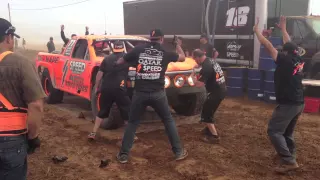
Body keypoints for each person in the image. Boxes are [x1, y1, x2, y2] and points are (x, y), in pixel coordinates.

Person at [115, 29, 188, 164]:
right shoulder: (165, 52)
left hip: (140, 93)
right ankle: (178, 152)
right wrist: (177, 44)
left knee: (132, 123)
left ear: (150, 38)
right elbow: (182, 57)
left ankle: (123, 155)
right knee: (168, 121)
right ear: (162, 39)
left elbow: (120, 62)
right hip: (158, 93)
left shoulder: (138, 50)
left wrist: (126, 60)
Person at [253, 16, 305, 174]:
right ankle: (290, 155)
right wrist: (283, 29)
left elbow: (268, 45)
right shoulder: (297, 57)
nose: (281, 50)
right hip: (299, 102)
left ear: (286, 52)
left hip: (288, 103)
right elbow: (288, 43)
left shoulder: (284, 60)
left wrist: (257, 32)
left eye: (283, 49)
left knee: (274, 131)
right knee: (287, 132)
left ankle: (288, 161)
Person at [0, 18, 46, 180]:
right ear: (8, 37)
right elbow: (36, 106)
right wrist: (33, 137)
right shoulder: (21, 63)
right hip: (11, 140)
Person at [88, 41, 131, 140]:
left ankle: (93, 133)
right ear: (122, 48)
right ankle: (131, 135)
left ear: (114, 48)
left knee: (102, 111)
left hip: (106, 88)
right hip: (120, 88)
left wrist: (96, 87)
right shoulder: (126, 58)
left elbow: (99, 74)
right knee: (127, 111)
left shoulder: (107, 59)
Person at [191, 49, 226, 144]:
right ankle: (208, 129)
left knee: (206, 113)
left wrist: (192, 77)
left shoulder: (206, 67)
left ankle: (214, 136)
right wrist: (197, 67)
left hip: (216, 93)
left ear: (198, 57)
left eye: (195, 59)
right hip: (221, 89)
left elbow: (199, 84)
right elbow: (204, 69)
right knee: (210, 110)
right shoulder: (210, 60)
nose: (195, 61)